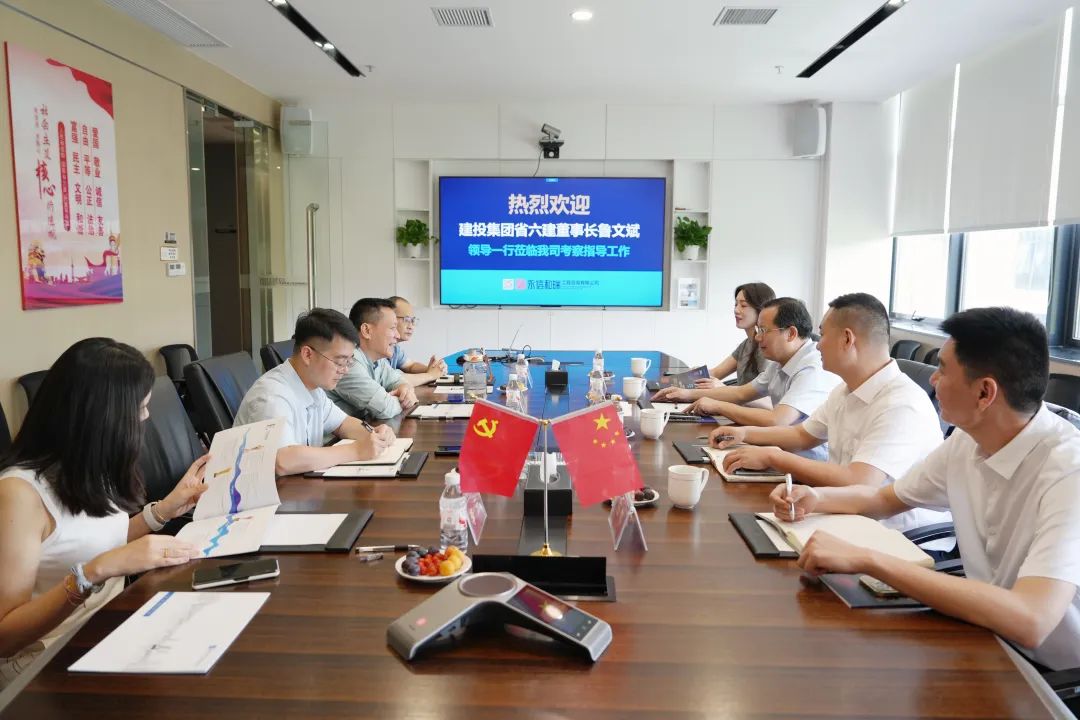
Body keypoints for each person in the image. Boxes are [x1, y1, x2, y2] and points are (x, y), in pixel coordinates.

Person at [770, 307, 1080, 674]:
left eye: (943, 370)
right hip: (985, 634)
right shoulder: (967, 441)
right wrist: (816, 497)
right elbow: (885, 499)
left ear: (985, 392)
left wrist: (869, 559)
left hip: (1050, 674)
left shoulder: (1068, 470)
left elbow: (1031, 620)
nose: (932, 380)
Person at [0, 338, 207, 687]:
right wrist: (91, 574)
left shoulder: (88, 464)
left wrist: (163, 511)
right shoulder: (18, 495)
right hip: (45, 661)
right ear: (103, 418)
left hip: (108, 628)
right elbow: (5, 637)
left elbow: (97, 540)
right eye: (141, 408)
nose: (146, 417)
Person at [713, 293, 949, 534]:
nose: (817, 344)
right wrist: (743, 433)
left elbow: (858, 480)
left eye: (823, 334)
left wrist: (774, 457)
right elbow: (802, 436)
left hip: (898, 536)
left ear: (847, 339)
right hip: (846, 515)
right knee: (750, 529)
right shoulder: (844, 391)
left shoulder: (901, 404)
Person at [655, 298, 839, 456]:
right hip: (778, 453)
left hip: (804, 467)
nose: (758, 338)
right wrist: (686, 394)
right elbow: (741, 393)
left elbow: (776, 420)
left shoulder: (813, 369)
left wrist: (718, 406)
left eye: (764, 331)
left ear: (791, 333)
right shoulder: (780, 360)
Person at [234, 308, 395, 475]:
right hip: (270, 489)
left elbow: (342, 423)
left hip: (299, 484)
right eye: (340, 362)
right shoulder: (272, 395)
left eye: (349, 361)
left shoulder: (313, 386)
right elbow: (283, 461)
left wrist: (374, 434)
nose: (345, 370)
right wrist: (356, 451)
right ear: (308, 355)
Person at [328, 298, 420, 420]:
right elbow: (385, 408)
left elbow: (398, 381)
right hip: (335, 433)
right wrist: (405, 399)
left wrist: (405, 389)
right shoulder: (348, 363)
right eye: (393, 328)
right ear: (367, 330)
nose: (397, 336)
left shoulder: (377, 359)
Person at [694, 282, 776, 389]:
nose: (736, 310)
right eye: (736, 304)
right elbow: (716, 372)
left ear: (761, 310)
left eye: (743, 305)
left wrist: (723, 388)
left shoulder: (764, 347)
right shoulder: (746, 344)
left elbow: (768, 394)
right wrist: (696, 373)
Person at [388, 296, 447, 387]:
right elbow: (393, 380)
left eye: (413, 320)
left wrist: (433, 369)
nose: (411, 326)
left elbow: (410, 366)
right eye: (406, 320)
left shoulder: (395, 348)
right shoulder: (378, 349)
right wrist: (430, 375)